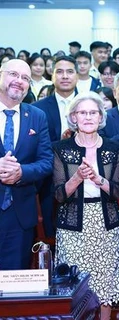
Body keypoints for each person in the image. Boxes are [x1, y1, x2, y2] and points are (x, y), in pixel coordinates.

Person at [52, 91, 119, 319]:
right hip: (73, 225)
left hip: (106, 224)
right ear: (73, 117)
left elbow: (118, 191)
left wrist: (97, 179)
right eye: (82, 112)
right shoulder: (61, 148)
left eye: (93, 112)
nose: (87, 117)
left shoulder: (113, 148)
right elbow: (58, 195)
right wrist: (77, 178)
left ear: (101, 117)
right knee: (74, 287)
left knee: (106, 284)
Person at [0, 59, 53, 269]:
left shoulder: (37, 116)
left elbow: (47, 161)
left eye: (25, 78)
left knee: (14, 287)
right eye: (13, 74)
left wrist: (21, 172)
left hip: (20, 215)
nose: (18, 81)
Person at [33, 55, 79, 237]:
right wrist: (61, 143)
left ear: (77, 75)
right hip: (49, 180)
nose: (65, 76)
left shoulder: (90, 104)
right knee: (51, 235)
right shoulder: (38, 108)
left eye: (70, 72)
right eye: (59, 72)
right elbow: (35, 146)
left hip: (85, 178)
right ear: (52, 75)